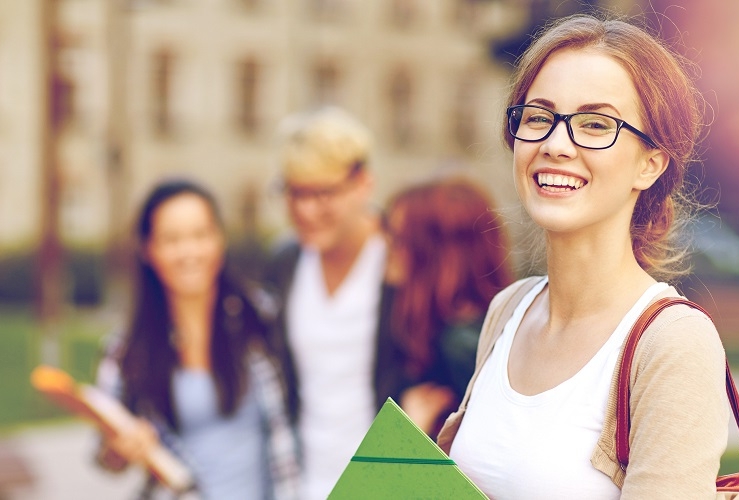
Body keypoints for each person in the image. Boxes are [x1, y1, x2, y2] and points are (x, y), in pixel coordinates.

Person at [440, 14, 730, 498]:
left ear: (650, 164)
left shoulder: (675, 344)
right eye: (538, 117)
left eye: (595, 125)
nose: (556, 144)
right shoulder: (508, 309)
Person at [95, 179, 300, 500]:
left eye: (200, 235)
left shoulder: (262, 322)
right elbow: (105, 457)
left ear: (219, 240)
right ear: (148, 249)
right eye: (171, 239)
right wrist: (121, 449)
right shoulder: (127, 352)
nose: (188, 252)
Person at [263, 107, 397, 500]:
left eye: (323, 193)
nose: (305, 210)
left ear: (363, 184)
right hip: (306, 485)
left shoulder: (399, 260)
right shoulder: (286, 262)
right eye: (295, 192)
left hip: (386, 483)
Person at [382, 178, 514, 437]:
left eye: (398, 238)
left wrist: (409, 434)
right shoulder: (446, 328)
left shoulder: (463, 345)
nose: (386, 247)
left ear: (434, 252)